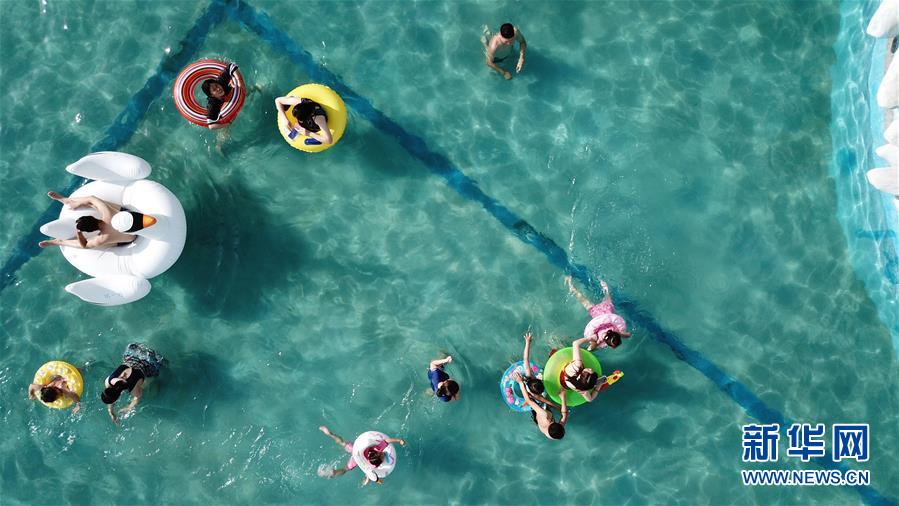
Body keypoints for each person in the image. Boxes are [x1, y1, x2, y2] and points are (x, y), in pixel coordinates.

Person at [38, 192, 137, 249]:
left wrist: (79, 232)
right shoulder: (107, 213)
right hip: (130, 220)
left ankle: (57, 242)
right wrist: (78, 204)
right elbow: (92, 198)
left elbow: (84, 245)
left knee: (90, 243)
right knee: (94, 203)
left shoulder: (102, 238)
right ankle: (68, 201)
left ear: (91, 231)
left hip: (131, 238)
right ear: (93, 217)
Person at [318, 426, 406, 485]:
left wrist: (399, 440)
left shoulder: (374, 450)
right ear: (379, 462)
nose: (383, 453)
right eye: (383, 456)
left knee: (343, 443)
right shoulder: (373, 464)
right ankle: (334, 473)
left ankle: (330, 434)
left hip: (357, 451)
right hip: (357, 460)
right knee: (345, 469)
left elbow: (386, 441)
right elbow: (370, 472)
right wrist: (374, 480)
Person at [100, 343, 164, 424]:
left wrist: (129, 407)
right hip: (131, 353)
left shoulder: (133, 388)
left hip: (149, 362)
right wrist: (111, 413)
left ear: (117, 397)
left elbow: (137, 398)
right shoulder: (108, 381)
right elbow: (110, 396)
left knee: (153, 379)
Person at [566, 275, 631, 351]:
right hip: (595, 312)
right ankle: (571, 286)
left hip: (607, 309)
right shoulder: (598, 339)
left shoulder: (614, 330)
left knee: (606, 294)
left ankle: (601, 281)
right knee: (582, 299)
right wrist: (595, 343)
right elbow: (589, 349)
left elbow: (628, 335)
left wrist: (619, 333)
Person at [512, 371, 567, 440]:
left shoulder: (544, 415)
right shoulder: (553, 435)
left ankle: (527, 388)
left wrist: (520, 382)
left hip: (539, 413)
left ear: (552, 422)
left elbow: (529, 401)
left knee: (534, 397)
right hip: (542, 418)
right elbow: (564, 416)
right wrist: (563, 399)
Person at [519, 331, 559, 408]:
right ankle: (528, 401)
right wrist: (528, 342)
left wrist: (527, 343)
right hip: (539, 394)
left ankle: (527, 401)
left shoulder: (528, 377)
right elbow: (547, 401)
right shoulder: (536, 395)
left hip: (537, 391)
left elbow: (525, 359)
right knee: (537, 398)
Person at [201, 62, 240, 129]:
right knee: (224, 135)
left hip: (231, 94)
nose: (218, 88)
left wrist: (239, 81)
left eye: (216, 85)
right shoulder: (213, 105)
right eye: (214, 89)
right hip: (223, 114)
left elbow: (231, 66)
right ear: (211, 95)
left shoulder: (221, 82)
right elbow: (211, 126)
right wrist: (229, 123)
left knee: (246, 92)